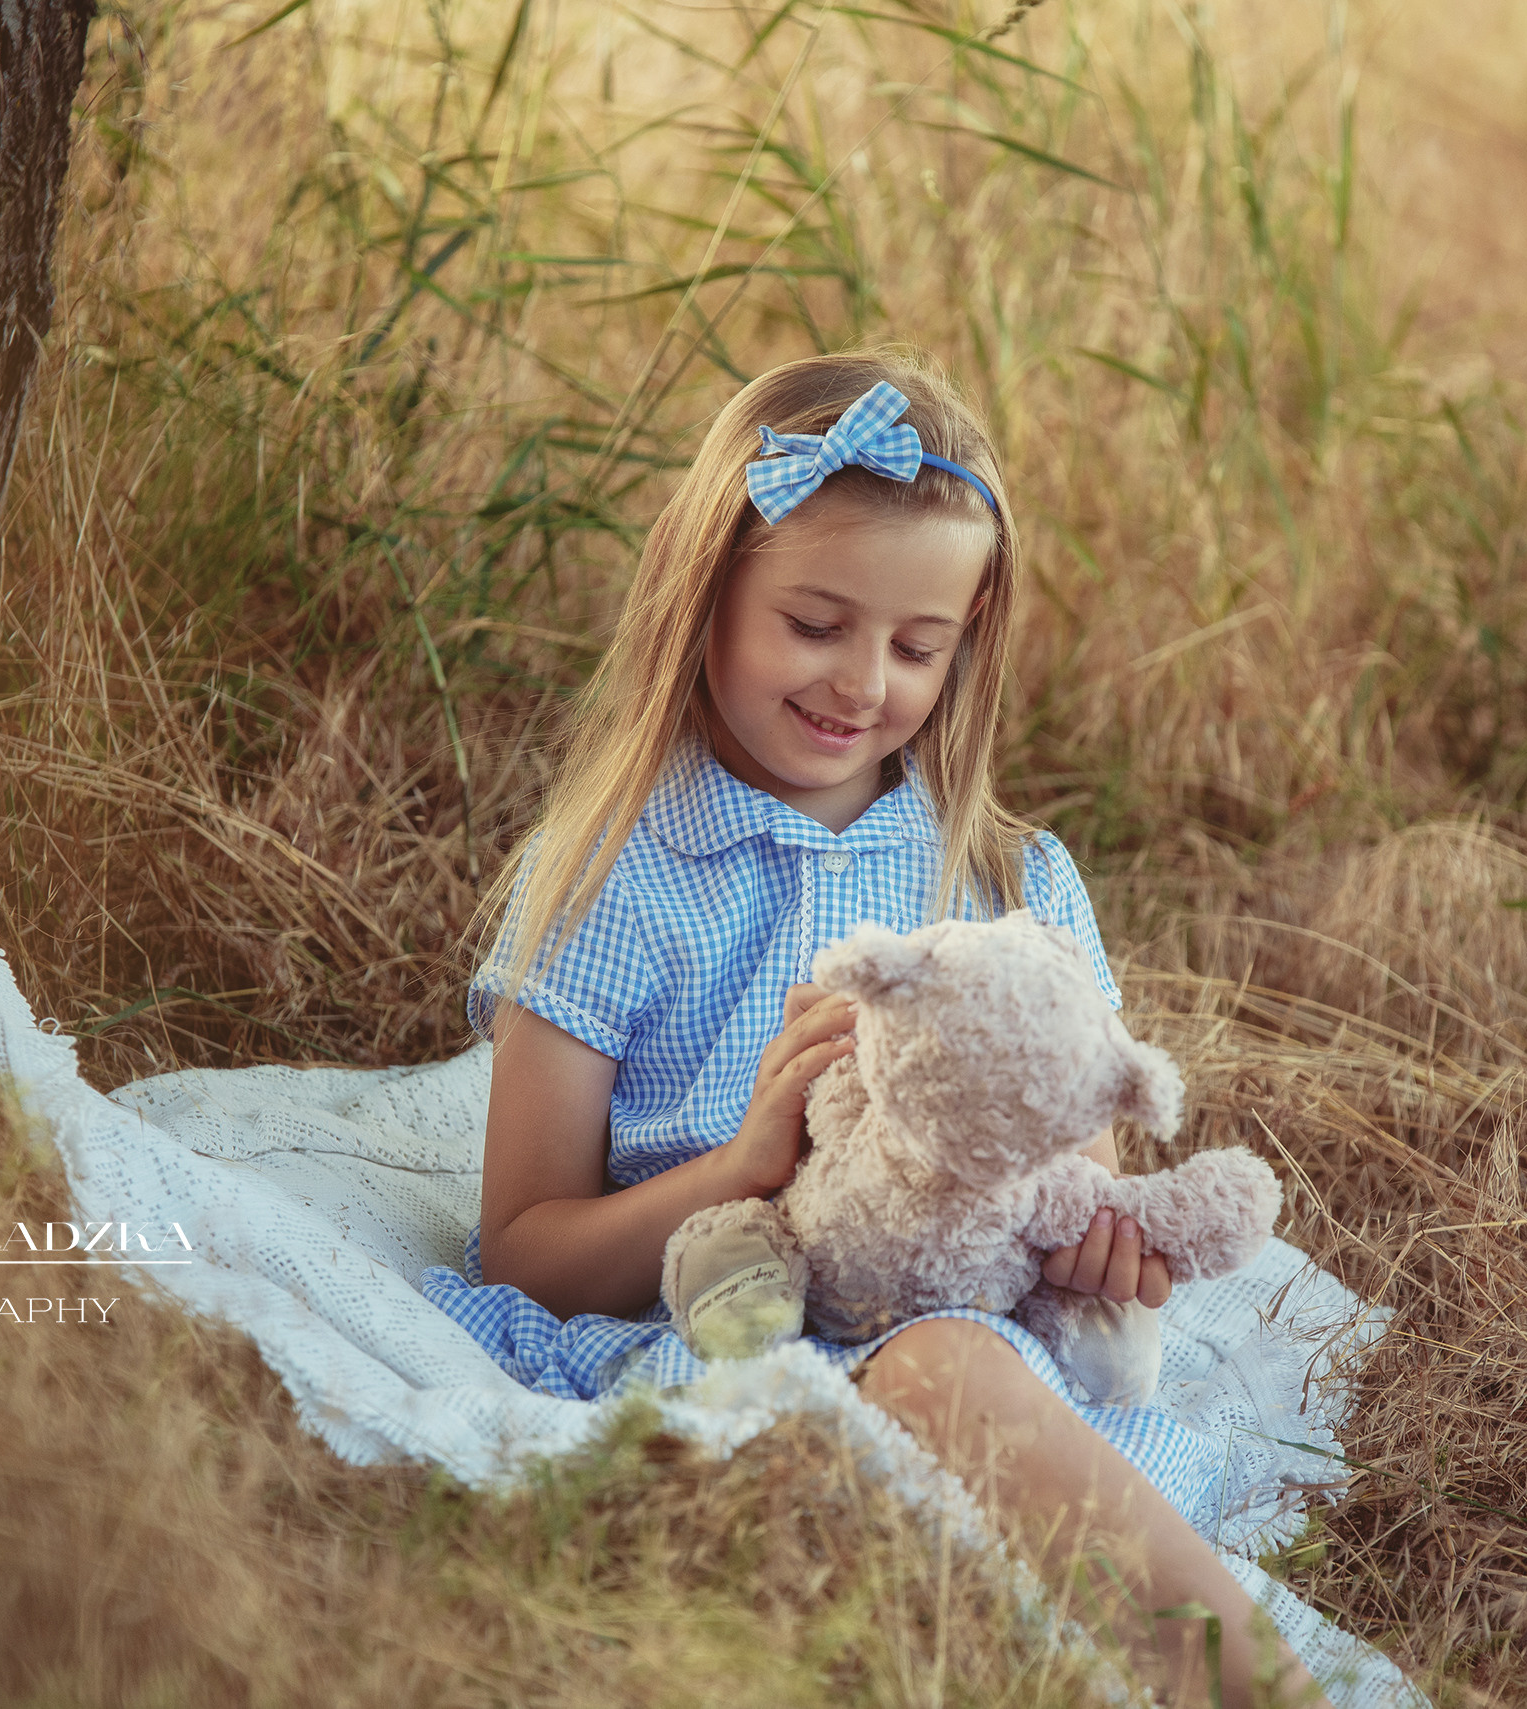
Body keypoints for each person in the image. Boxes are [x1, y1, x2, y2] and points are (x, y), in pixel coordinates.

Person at [457, 348, 1332, 1707]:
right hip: (729, 1322)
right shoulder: (610, 879)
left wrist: (1103, 1243)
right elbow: (520, 1250)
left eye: (920, 645)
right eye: (816, 623)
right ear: (709, 597)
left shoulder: (1010, 884)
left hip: (987, 1339)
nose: (866, 681)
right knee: (934, 1376)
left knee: (961, 1370)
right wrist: (740, 1165)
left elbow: (1077, 1172)